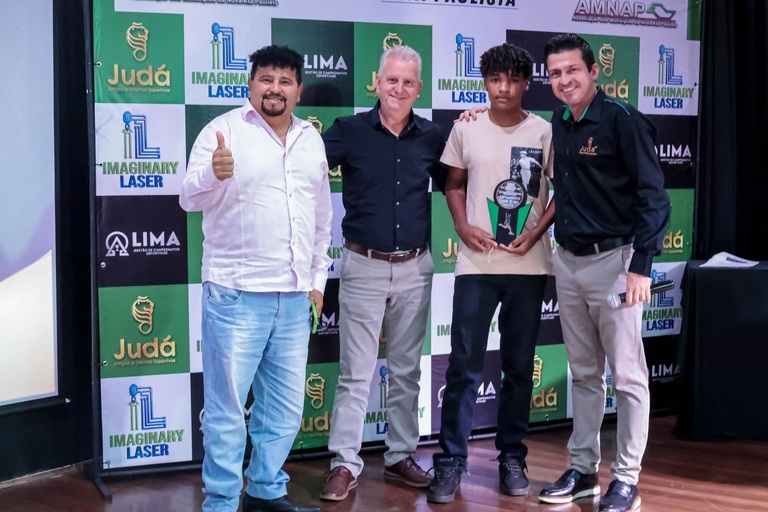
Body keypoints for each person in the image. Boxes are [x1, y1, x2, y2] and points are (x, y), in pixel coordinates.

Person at [179, 45, 331, 512]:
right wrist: (213, 174)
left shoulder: (310, 138)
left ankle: (266, 491)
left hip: (294, 298)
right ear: (250, 84)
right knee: (227, 410)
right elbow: (188, 198)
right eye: (266, 79)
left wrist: (317, 282)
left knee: (283, 409)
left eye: (285, 81)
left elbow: (322, 218)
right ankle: (222, 502)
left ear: (298, 90)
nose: (274, 89)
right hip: (235, 295)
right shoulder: (223, 131)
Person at [537, 34, 670, 512]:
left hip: (616, 264)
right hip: (568, 262)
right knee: (584, 374)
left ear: (594, 72)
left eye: (572, 70)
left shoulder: (622, 119)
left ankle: (627, 479)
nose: (564, 80)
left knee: (628, 378)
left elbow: (654, 197)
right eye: (555, 73)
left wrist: (641, 267)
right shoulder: (559, 120)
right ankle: (584, 469)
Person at [425, 42, 554, 504]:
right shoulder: (467, 127)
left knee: (519, 367)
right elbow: (453, 184)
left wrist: (536, 232)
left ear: (526, 84)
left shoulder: (544, 131)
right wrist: (462, 226)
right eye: (496, 79)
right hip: (475, 265)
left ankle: (512, 456)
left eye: (513, 80)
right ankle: (451, 461)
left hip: (529, 265)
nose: (504, 88)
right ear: (484, 82)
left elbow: (563, 191)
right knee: (464, 365)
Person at [318, 44, 447, 502]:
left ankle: (400, 456)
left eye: (408, 82)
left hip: (415, 267)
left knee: (407, 371)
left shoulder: (433, 136)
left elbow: (462, 180)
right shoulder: (348, 131)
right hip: (364, 265)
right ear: (376, 82)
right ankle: (344, 463)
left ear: (420, 88)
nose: (399, 88)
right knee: (355, 374)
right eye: (391, 79)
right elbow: (301, 169)